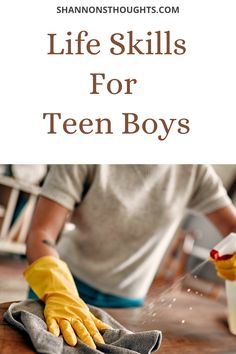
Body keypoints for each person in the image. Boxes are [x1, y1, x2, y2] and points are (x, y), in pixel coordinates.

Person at [23, 165, 236, 348]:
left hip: (126, 302)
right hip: (60, 287)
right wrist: (58, 291)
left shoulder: (194, 169)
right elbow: (41, 233)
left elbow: (232, 227)